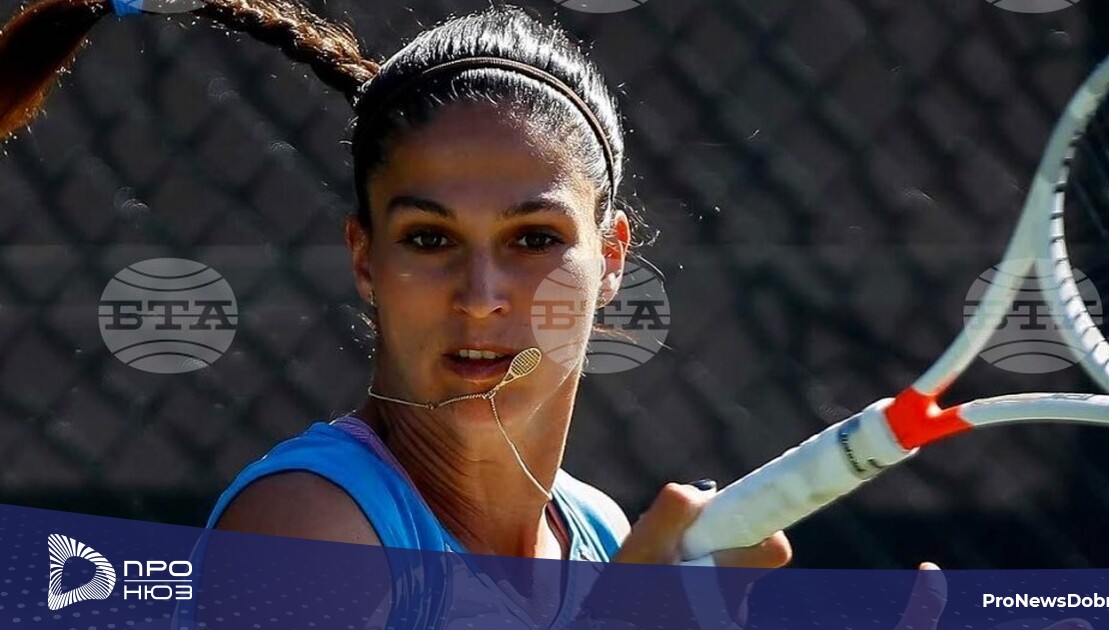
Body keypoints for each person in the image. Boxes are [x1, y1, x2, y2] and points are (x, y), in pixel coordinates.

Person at [0, 0, 789, 593]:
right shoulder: (306, 534)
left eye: (533, 240)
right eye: (429, 239)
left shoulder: (599, 534)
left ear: (610, 259)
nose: (480, 297)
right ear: (366, 259)